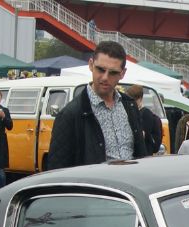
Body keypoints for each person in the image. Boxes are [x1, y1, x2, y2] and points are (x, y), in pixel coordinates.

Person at [45, 41, 148, 170]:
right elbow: (57, 170)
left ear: (122, 73)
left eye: (112, 73)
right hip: (94, 189)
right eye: (101, 69)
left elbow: (141, 154)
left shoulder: (130, 106)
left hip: (130, 187)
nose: (105, 77)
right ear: (91, 65)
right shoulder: (71, 114)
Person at [124, 84, 163, 154]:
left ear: (140, 98)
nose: (131, 103)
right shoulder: (132, 112)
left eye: (134, 100)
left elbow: (144, 136)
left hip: (143, 155)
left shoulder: (146, 114)